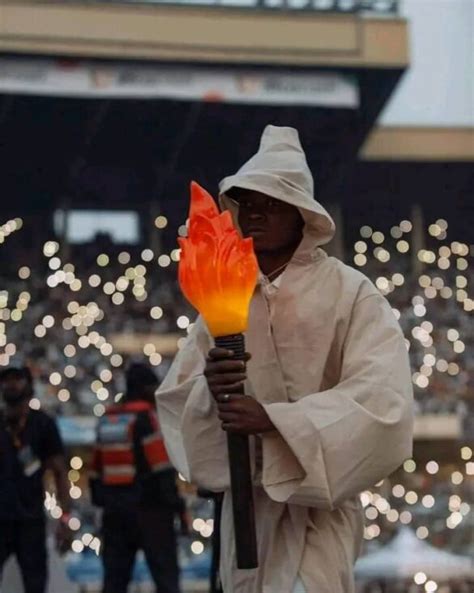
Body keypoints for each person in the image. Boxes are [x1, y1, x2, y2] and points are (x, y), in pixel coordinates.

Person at [156, 125, 414, 593]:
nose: (255, 213)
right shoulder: (221, 296)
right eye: (248, 203)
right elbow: (180, 402)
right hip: (246, 516)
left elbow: (384, 403)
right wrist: (210, 393)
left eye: (271, 203)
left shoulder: (351, 293)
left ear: (302, 215)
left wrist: (275, 421)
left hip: (320, 516)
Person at [90, 363, 185, 593]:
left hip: (114, 514)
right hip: (151, 512)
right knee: (166, 579)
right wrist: (178, 508)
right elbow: (161, 469)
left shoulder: (107, 419)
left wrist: (108, 503)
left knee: (114, 582)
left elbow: (95, 472)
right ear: (145, 388)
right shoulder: (148, 417)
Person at [0, 366, 72, 593]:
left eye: (17, 379)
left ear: (29, 386)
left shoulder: (43, 424)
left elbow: (60, 472)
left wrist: (66, 519)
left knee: (35, 584)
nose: (11, 385)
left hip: (30, 520)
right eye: (6, 380)